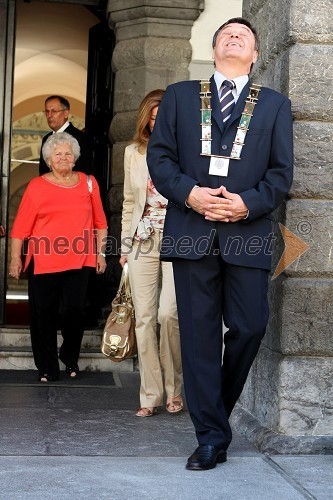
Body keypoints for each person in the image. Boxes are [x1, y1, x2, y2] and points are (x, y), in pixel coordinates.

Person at [147, 18, 293, 470]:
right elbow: (160, 157)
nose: (234, 36)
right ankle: (210, 436)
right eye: (226, 33)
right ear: (214, 50)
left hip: (247, 234)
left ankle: (215, 417)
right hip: (192, 231)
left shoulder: (274, 105)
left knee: (250, 326)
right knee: (199, 338)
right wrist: (189, 193)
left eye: (244, 35)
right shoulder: (180, 97)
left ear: (255, 55)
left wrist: (245, 205)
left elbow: (280, 175)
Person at [9, 132, 107, 382]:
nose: (63, 157)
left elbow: (100, 223)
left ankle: (69, 355)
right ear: (49, 160)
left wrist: (101, 253)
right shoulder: (37, 186)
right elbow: (20, 227)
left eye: (67, 153)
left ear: (75, 158)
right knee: (43, 313)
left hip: (81, 257)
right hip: (44, 259)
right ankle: (46, 366)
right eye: (58, 154)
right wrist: (15, 258)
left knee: (74, 310)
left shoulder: (88, 182)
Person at [120, 89, 183, 417]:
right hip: (142, 240)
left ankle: (175, 389)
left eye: (163, 118)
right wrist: (124, 245)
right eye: (152, 118)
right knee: (144, 319)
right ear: (145, 120)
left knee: (167, 314)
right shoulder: (133, 152)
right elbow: (130, 202)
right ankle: (150, 395)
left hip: (178, 240)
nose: (157, 124)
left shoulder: (185, 151)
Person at [39, 95, 91, 175]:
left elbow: (83, 170)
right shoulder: (46, 139)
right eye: (47, 112)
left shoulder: (80, 138)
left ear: (66, 113)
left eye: (54, 111)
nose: (49, 115)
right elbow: (43, 171)